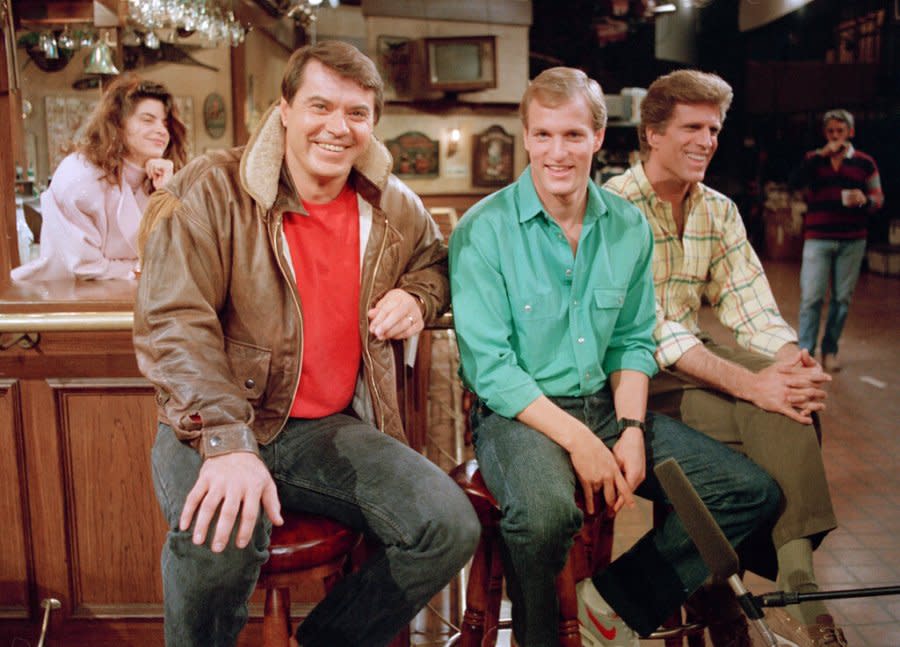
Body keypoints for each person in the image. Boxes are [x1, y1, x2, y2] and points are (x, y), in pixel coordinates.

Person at [133, 41, 479, 647]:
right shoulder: (213, 188)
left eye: (356, 113)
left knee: (447, 525)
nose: (338, 128)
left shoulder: (392, 203)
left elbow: (439, 264)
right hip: (212, 419)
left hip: (324, 430)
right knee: (223, 540)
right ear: (285, 109)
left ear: (372, 123)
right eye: (321, 106)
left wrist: (419, 298)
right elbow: (173, 322)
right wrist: (226, 439)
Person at [449, 66, 780, 647]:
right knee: (546, 517)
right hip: (517, 414)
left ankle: (611, 604)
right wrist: (580, 443)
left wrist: (627, 430)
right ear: (525, 136)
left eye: (573, 135)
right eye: (544, 135)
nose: (558, 152)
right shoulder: (484, 229)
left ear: (598, 139)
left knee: (750, 493)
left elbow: (631, 340)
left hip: (604, 405)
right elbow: (491, 368)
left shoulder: (626, 225)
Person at [604, 70, 844, 647]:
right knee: (765, 402)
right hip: (624, 372)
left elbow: (750, 303)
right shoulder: (612, 207)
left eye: (714, 128)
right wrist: (751, 384)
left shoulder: (718, 209)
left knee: (786, 397)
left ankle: (798, 590)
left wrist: (793, 362)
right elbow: (650, 328)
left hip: (685, 359)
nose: (706, 140)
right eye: (691, 127)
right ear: (653, 134)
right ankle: (721, 587)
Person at [12, 74, 187, 281]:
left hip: (132, 300)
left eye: (165, 124)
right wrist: (143, 269)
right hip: (66, 300)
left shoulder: (161, 179)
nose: (161, 131)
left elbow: (182, 257)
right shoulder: (79, 175)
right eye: (147, 120)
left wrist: (168, 193)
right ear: (118, 123)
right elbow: (86, 266)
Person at [790, 108, 884, 372]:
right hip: (818, 238)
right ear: (825, 133)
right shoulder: (814, 160)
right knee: (811, 297)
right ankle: (805, 353)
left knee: (842, 299)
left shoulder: (865, 162)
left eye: (840, 131)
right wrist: (819, 156)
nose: (835, 137)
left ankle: (830, 350)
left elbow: (879, 198)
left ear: (850, 133)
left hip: (852, 240)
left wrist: (865, 200)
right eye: (830, 131)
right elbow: (794, 182)